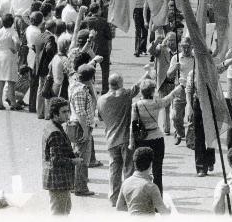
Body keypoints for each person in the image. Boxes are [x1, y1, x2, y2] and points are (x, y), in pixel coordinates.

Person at [129, 79, 182, 193]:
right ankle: (158, 198)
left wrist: (131, 142)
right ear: (153, 91)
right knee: (157, 171)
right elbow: (168, 98)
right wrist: (179, 88)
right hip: (157, 138)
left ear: (141, 92)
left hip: (142, 140)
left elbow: (133, 125)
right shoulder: (156, 103)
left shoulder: (136, 106)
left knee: (141, 170)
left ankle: (141, 194)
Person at [97, 73, 141, 207]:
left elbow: (100, 118)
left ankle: (114, 198)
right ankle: (127, 198)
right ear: (120, 83)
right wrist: (146, 73)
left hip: (111, 138)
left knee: (114, 170)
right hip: (126, 138)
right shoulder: (125, 95)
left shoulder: (101, 100)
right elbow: (138, 87)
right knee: (128, 169)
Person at [42, 98, 83, 215]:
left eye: (68, 111)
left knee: (65, 210)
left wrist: (71, 153)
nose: (67, 114)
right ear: (55, 114)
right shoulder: (55, 132)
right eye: (64, 112)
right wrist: (74, 160)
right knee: (59, 213)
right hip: (58, 180)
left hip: (58, 180)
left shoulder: (52, 126)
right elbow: (56, 160)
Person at [67, 64, 97, 196]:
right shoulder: (80, 91)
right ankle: (80, 187)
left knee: (78, 155)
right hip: (80, 126)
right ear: (91, 78)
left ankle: (75, 184)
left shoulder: (75, 85)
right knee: (82, 159)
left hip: (78, 125)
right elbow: (80, 113)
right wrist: (85, 130)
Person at [116, 147, 170, 215]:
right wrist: (169, 209)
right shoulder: (151, 187)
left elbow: (119, 207)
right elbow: (164, 212)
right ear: (150, 164)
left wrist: (135, 209)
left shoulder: (126, 183)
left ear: (135, 163)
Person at [80, 3, 113, 94]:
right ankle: (105, 90)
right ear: (98, 10)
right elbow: (109, 36)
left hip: (90, 49)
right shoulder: (103, 21)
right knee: (105, 71)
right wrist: (110, 48)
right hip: (103, 48)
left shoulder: (86, 20)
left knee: (90, 69)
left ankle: (90, 88)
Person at [0, 13, 20, 110]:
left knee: (0, 81)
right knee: (11, 81)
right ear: (12, 22)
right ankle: (13, 103)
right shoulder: (13, 32)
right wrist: (16, 50)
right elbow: (17, 42)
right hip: (9, 56)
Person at [35, 19, 58, 119]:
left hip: (39, 66)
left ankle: (40, 112)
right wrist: (53, 57)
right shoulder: (51, 37)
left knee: (40, 89)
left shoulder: (40, 35)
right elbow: (49, 49)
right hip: (46, 67)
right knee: (46, 89)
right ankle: (47, 114)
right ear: (53, 28)